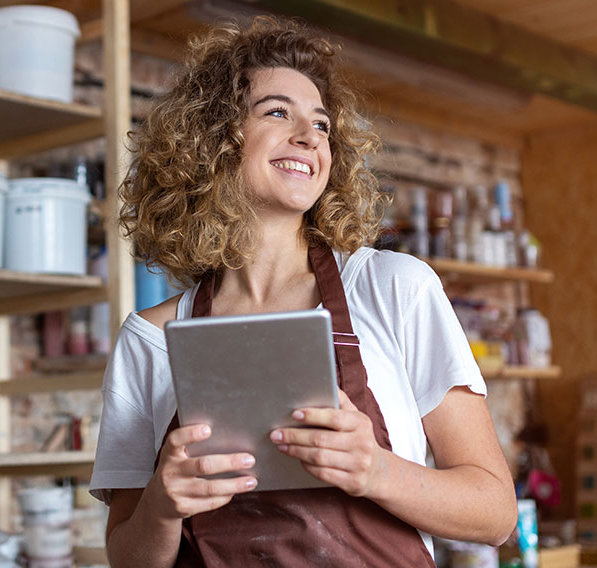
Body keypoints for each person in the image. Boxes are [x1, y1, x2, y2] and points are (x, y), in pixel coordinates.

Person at [89, 16, 517, 567]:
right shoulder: (150, 341)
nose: (309, 136)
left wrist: (376, 470)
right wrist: (162, 507)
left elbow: (496, 513)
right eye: (276, 112)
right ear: (213, 140)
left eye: (321, 125)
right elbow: (127, 557)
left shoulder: (394, 289)